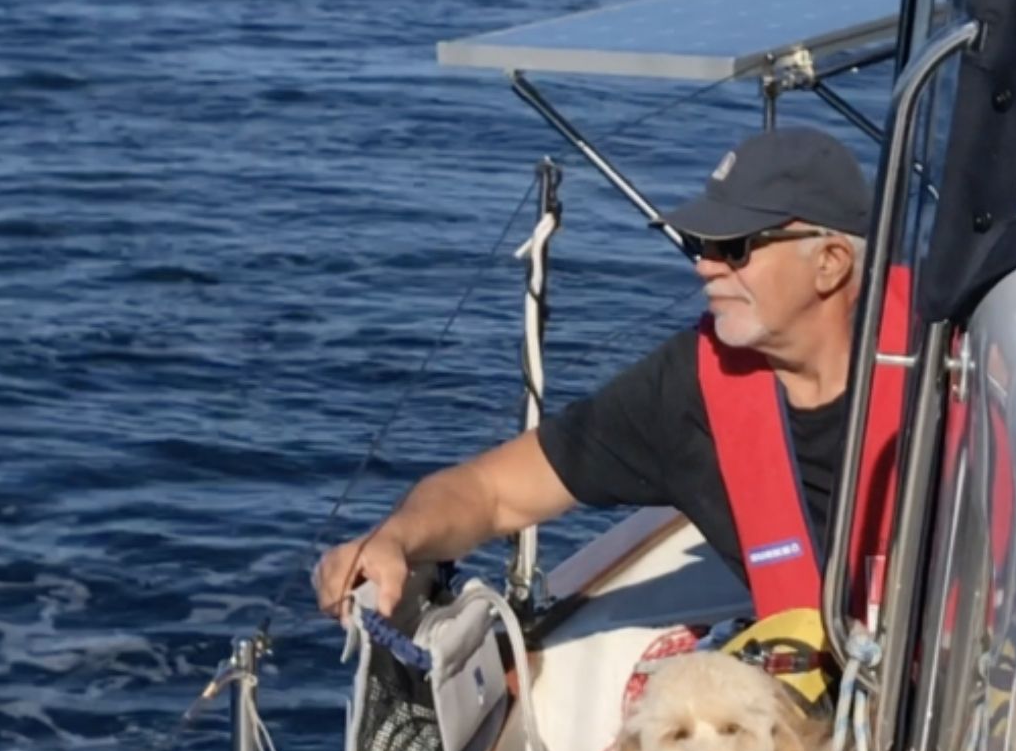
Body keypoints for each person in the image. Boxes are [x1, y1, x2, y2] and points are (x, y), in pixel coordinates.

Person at [312, 126, 873, 621]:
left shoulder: (948, 374)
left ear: (829, 263)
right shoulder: (689, 388)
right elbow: (490, 492)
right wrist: (394, 538)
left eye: (735, 247)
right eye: (701, 243)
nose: (704, 265)